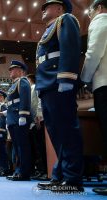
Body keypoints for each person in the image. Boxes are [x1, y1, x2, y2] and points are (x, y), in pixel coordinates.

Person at [35, 0, 84, 192]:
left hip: (58, 83)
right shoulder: (48, 29)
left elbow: (70, 49)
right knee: (57, 134)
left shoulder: (66, 20)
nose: (43, 9)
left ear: (59, 8)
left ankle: (73, 179)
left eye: (47, 6)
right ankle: (60, 175)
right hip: (47, 86)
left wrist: (66, 78)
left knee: (67, 131)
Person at [80, 0, 107, 195]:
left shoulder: (100, 21)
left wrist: (84, 79)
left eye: (90, 11)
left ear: (99, 8)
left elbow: (93, 53)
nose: (89, 15)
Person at [0, 61, 31, 181]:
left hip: (19, 118)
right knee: (17, 147)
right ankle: (18, 170)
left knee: (22, 146)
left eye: (13, 69)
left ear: (20, 70)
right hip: (12, 119)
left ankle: (24, 172)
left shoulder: (22, 81)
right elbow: (11, 104)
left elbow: (25, 99)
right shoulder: (13, 85)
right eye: (10, 69)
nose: (10, 71)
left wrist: (23, 115)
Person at [26, 74, 48, 180]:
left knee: (40, 147)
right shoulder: (30, 89)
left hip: (38, 120)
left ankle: (44, 171)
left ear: (30, 80)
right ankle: (40, 170)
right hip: (33, 121)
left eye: (27, 80)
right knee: (36, 147)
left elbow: (38, 101)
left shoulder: (34, 87)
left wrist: (38, 115)